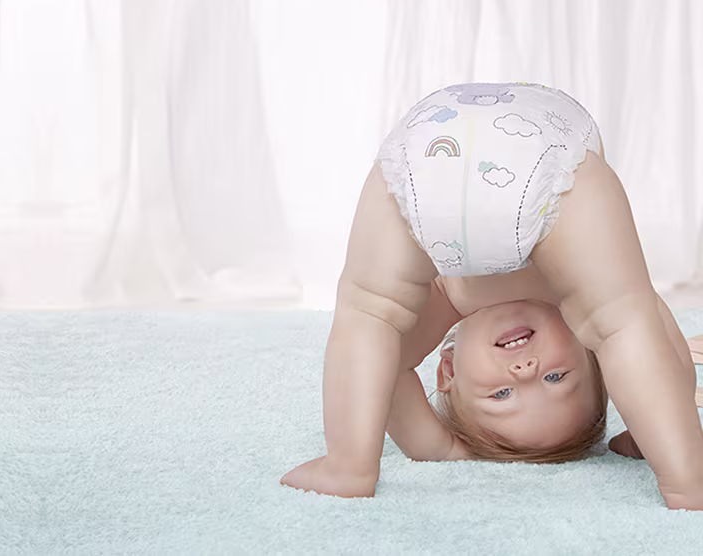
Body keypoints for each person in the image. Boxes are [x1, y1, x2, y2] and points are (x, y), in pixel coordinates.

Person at [279, 82, 703, 510]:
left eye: (501, 395)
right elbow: (661, 346)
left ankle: (350, 464)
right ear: (592, 354)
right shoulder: (573, 289)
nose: (525, 371)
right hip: (549, 160)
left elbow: (388, 372)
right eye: (556, 378)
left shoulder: (450, 299)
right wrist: (658, 421)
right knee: (625, 324)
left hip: (430, 147)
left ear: (448, 371)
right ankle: (686, 476)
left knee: (372, 314)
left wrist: (439, 446)